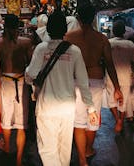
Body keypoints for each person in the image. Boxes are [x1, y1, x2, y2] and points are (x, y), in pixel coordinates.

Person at [25, 10, 99, 166]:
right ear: (65, 30)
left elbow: (30, 75)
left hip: (47, 106)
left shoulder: (41, 49)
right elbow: (83, 82)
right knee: (64, 147)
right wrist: (91, 108)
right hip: (67, 107)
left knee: (48, 149)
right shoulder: (74, 51)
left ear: (48, 29)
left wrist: (30, 77)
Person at [64, 5, 123, 165]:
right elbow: (110, 65)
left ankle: (82, 158)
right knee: (92, 120)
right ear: (93, 18)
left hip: (76, 81)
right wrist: (117, 88)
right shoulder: (102, 39)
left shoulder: (68, 37)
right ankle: (89, 149)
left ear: (78, 18)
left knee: (79, 121)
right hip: (95, 81)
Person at [0, 14, 32, 166]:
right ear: (18, 26)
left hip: (6, 81)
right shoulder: (26, 42)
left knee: (6, 120)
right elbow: (31, 65)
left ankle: (7, 148)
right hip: (21, 80)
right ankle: (19, 160)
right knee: (22, 124)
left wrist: (0, 79)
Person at [107, 21, 134, 133]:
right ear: (124, 32)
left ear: (113, 31)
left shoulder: (108, 43)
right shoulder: (130, 45)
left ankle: (118, 120)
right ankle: (121, 119)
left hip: (111, 77)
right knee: (123, 101)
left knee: (111, 101)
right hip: (126, 76)